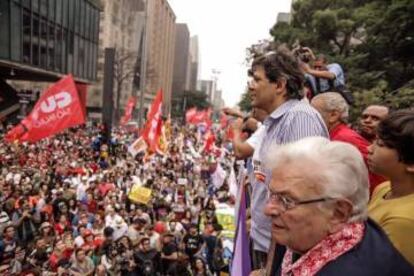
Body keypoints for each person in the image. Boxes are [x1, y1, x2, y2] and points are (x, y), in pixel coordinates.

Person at [263, 137, 413, 275]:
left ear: (338, 213)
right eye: (273, 195)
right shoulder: (307, 235)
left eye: (287, 200)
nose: (268, 209)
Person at [247, 46, 328, 269]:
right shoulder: (276, 122)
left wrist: (276, 263)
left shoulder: (299, 119)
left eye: (257, 79)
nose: (251, 86)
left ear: (280, 85)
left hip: (284, 250)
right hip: (269, 243)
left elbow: (303, 194)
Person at [311, 92, 385, 194]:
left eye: (313, 113)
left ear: (333, 115)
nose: (308, 117)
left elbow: (379, 175)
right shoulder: (337, 137)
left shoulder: (345, 139)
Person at [368, 109, 414, 265]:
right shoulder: (384, 188)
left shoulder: (404, 220)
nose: (370, 148)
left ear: (410, 163)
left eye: (380, 144)